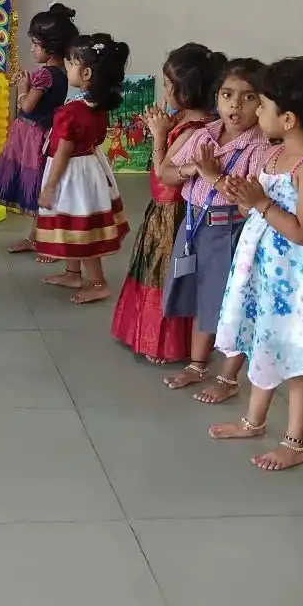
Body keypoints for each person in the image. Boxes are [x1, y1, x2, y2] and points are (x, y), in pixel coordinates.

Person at [208, 57, 303, 471]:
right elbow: (261, 206)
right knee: (260, 339)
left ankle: (295, 441)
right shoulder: (276, 152)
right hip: (263, 265)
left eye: (262, 105)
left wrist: (261, 203)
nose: (255, 112)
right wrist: (240, 193)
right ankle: (254, 419)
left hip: (294, 277)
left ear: (287, 118)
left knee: (297, 354)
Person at [158, 58, 270, 392]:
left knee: (232, 302)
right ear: (216, 98)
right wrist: (189, 171)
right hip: (194, 226)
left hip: (231, 230)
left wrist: (211, 175)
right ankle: (198, 365)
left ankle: (228, 378)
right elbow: (165, 174)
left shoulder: (260, 146)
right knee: (201, 298)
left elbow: (248, 198)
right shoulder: (204, 134)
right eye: (227, 94)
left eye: (248, 97)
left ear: (264, 103)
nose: (235, 104)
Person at [109, 43, 223, 365]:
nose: (166, 90)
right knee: (154, 271)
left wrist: (159, 137)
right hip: (163, 210)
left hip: (173, 214)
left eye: (170, 85)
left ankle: (165, 343)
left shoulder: (194, 130)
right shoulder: (188, 120)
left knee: (164, 275)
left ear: (187, 91)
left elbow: (164, 173)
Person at [32, 34, 133, 304]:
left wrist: (51, 185)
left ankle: (98, 283)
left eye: (72, 62)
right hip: (89, 170)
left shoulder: (73, 111)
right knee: (75, 226)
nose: (66, 65)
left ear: (86, 72)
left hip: (72, 175)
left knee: (82, 230)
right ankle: (72, 272)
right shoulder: (95, 106)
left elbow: (64, 151)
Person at [0, 3, 79, 256]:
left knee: (37, 186)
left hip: (32, 136)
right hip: (43, 133)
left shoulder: (43, 75)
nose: (31, 49)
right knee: (40, 187)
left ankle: (46, 241)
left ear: (50, 47)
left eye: (35, 44)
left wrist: (22, 88)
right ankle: (36, 238)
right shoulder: (64, 72)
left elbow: (28, 107)